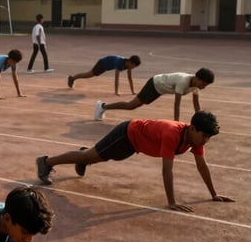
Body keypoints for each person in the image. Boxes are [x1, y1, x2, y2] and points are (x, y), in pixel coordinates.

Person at [36, 110, 234, 213]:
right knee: (90, 156)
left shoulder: (195, 140)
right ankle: (47, 162)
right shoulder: (172, 134)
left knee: (101, 156)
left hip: (134, 145)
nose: (206, 140)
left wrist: (214, 194)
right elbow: (167, 170)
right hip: (127, 133)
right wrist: (171, 202)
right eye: (205, 136)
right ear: (192, 128)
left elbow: (202, 166)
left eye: (209, 137)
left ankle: (84, 158)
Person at [94, 68, 214, 122]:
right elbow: (177, 105)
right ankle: (102, 106)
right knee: (131, 105)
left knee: (133, 106)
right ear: (197, 78)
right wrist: (176, 123)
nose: (204, 86)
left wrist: (200, 120)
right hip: (155, 84)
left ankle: (103, 106)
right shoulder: (183, 81)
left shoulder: (195, 85)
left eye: (206, 85)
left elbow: (196, 104)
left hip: (159, 90)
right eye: (203, 83)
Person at [68, 55, 141, 95]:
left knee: (89, 74)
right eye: (134, 66)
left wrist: (132, 92)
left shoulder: (128, 66)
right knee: (89, 74)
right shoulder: (120, 62)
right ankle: (72, 78)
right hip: (102, 64)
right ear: (131, 62)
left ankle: (73, 78)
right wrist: (116, 92)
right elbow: (116, 78)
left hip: (106, 67)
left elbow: (130, 78)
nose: (133, 68)